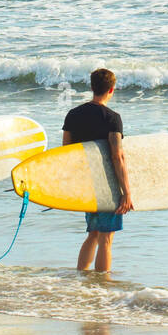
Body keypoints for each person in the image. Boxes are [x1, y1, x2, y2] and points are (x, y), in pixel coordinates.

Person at [63, 67, 133, 271]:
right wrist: (126, 192)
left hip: (87, 182)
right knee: (106, 239)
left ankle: (82, 277)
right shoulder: (112, 118)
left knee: (93, 234)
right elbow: (117, 155)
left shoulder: (73, 114)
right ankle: (103, 289)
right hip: (108, 185)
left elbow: (66, 151)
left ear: (92, 87)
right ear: (112, 90)